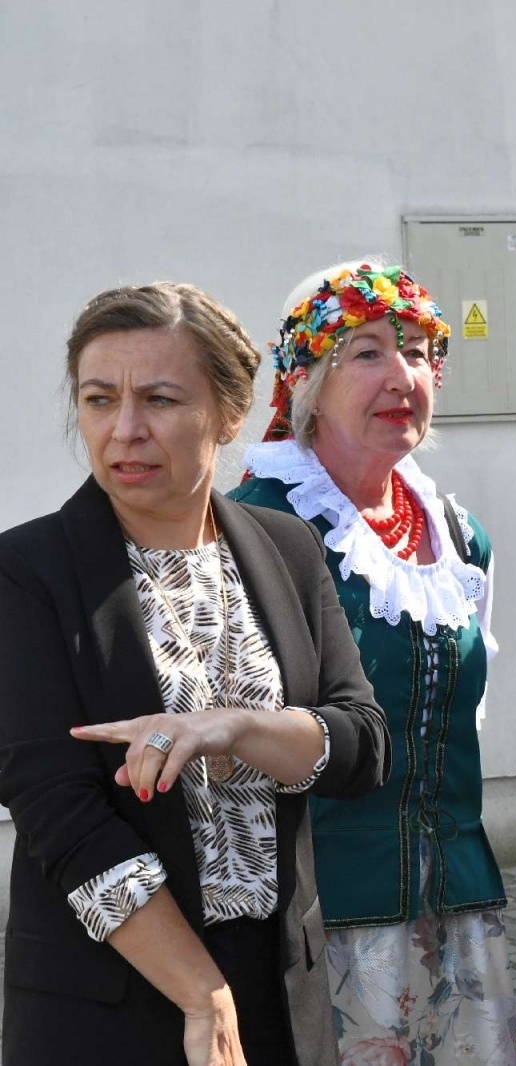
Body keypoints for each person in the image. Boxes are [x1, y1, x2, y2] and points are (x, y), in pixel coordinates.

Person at [0, 282, 390, 1065]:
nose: (126, 430)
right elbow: (60, 814)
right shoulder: (28, 571)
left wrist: (238, 728)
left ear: (228, 412)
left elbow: (362, 749)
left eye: (162, 400)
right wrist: (201, 994)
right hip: (118, 991)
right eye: (100, 399)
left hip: (280, 986)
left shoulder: (287, 548)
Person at [232, 262, 516, 1064]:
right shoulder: (257, 529)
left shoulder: (460, 540)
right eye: (366, 352)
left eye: (420, 351)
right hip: (319, 929)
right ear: (309, 383)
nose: (403, 377)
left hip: (460, 912)